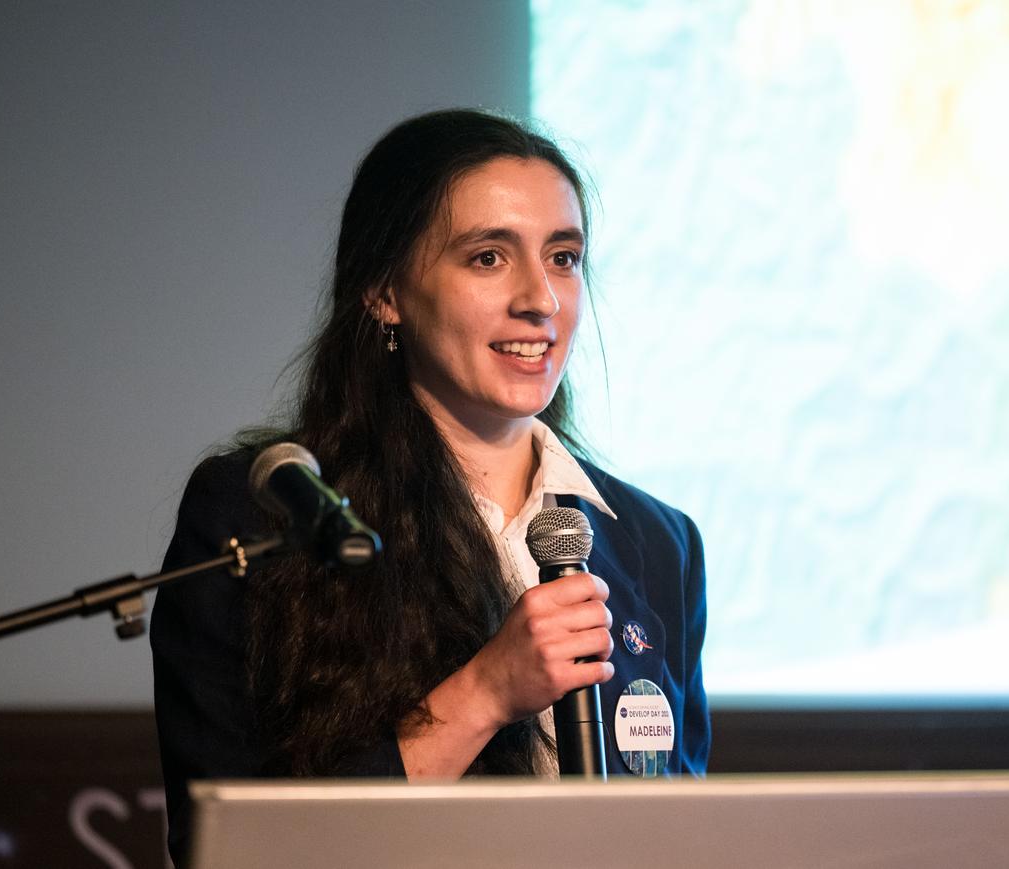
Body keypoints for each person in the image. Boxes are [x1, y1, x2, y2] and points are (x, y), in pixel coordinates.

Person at [149, 108, 710, 863]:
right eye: (487, 257)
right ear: (385, 291)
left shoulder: (655, 541)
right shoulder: (273, 512)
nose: (540, 299)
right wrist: (484, 691)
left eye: (564, 258)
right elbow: (226, 848)